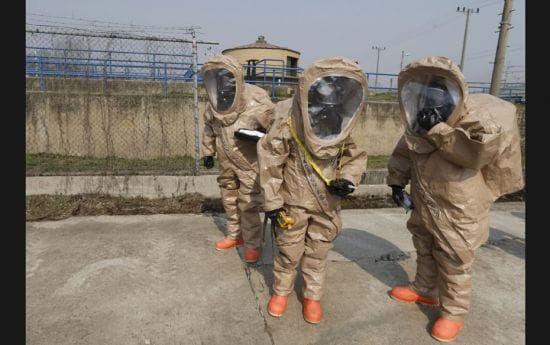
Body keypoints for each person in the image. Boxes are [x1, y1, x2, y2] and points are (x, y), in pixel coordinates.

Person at [386, 56, 524, 342]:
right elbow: (404, 152)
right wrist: (397, 183)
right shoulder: (417, 124)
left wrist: (440, 130)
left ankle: (453, 313)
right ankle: (425, 289)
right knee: (423, 244)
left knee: (454, 258)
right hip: (425, 201)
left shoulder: (473, 125)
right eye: (424, 94)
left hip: (459, 206)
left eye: (437, 94)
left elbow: (474, 155)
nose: (428, 101)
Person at [257, 57, 368, 324]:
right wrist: (272, 203)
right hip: (293, 201)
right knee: (288, 249)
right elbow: (271, 160)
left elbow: (355, 156)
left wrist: (348, 180)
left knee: (318, 252)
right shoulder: (290, 119)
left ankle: (312, 297)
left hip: (328, 202)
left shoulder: (344, 124)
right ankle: (281, 291)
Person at [201, 54, 275, 263]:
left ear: (236, 76)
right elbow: (209, 128)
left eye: (226, 76)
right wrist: (208, 153)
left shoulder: (256, 98)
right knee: (229, 199)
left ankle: (253, 245)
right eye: (216, 77)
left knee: (248, 204)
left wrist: (259, 137)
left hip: (248, 162)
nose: (222, 81)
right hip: (226, 161)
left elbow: (276, 129)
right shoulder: (215, 102)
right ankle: (235, 236)